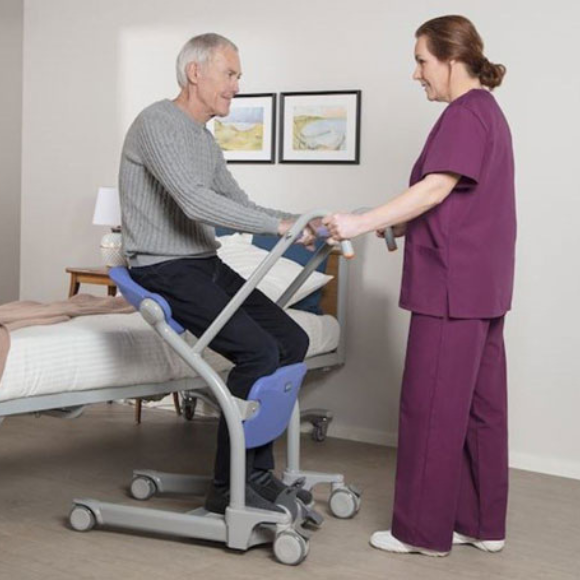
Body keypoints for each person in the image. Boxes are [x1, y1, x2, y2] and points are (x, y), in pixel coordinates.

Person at [323, 15, 516, 556]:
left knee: (431, 407)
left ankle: (421, 533)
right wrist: (400, 223)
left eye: (421, 61)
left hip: (451, 291)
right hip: (484, 287)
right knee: (481, 410)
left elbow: (437, 185)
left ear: (451, 60)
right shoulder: (489, 114)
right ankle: (482, 523)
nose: (416, 74)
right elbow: (461, 199)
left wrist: (360, 223)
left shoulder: (463, 113)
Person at [119, 33, 317, 515]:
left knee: (290, 341)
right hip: (163, 268)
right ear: (195, 72)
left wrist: (304, 225)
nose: (236, 84)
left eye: (237, 76)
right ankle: (230, 488)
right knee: (258, 350)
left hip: (202, 263)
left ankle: (256, 475)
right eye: (230, 74)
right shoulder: (157, 123)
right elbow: (194, 200)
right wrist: (280, 226)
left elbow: (237, 204)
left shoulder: (202, 139)